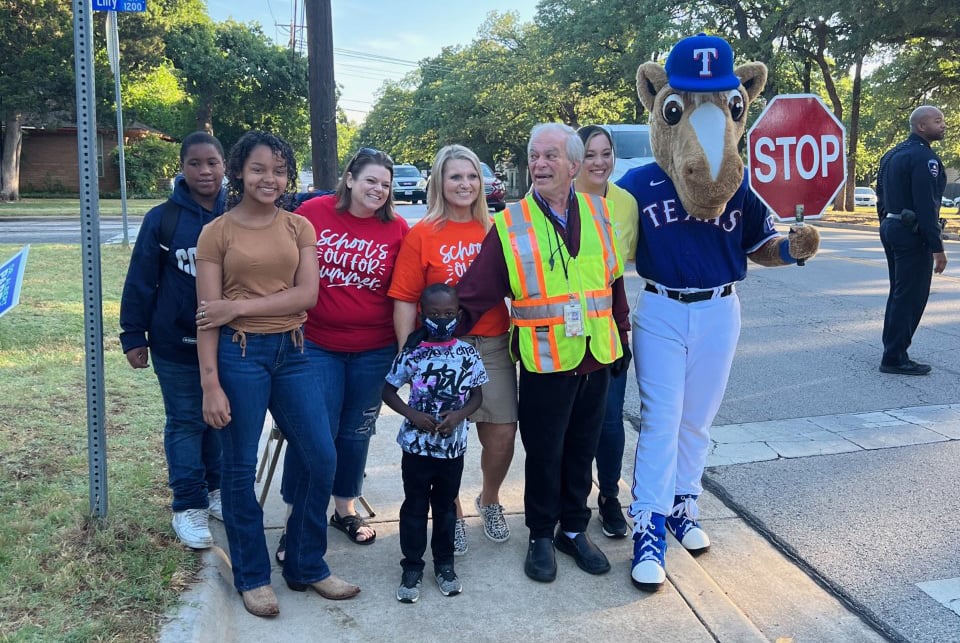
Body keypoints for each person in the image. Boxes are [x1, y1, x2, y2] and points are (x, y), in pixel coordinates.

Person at [195, 131, 359, 618]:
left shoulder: (297, 227)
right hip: (238, 358)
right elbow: (208, 316)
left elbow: (306, 295)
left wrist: (237, 306)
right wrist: (209, 383)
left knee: (321, 455)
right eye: (260, 168)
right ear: (240, 172)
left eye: (280, 170)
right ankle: (252, 576)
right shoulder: (217, 232)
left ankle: (307, 564)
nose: (270, 178)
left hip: (294, 351)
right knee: (239, 469)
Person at [457, 122, 631, 583]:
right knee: (545, 452)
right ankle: (539, 533)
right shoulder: (511, 222)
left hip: (597, 355)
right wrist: (433, 340)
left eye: (550, 156)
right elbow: (475, 292)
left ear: (574, 165)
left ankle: (572, 530)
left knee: (582, 449)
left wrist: (623, 336)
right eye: (534, 155)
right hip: (545, 359)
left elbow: (612, 281)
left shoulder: (598, 212)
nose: (539, 164)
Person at [278, 147, 409, 554]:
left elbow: (405, 291)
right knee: (316, 433)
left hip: (374, 349)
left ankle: (344, 509)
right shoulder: (313, 214)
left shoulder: (398, 229)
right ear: (350, 178)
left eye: (385, 185)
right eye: (371, 180)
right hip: (317, 343)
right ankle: (297, 520)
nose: (378, 190)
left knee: (356, 432)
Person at [389, 144, 518, 556]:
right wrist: (409, 358)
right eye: (455, 176)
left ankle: (491, 499)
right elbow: (405, 298)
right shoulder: (422, 233)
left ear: (482, 184)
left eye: (472, 176)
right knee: (444, 432)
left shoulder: (496, 229)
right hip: (441, 351)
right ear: (440, 183)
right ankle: (452, 511)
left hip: (492, 342)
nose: (465, 184)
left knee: (501, 431)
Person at [120, 131, 227, 550]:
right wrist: (133, 334)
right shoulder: (162, 219)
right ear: (181, 169)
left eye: (213, 163)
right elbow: (141, 280)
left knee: (220, 420)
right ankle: (188, 503)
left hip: (228, 342)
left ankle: (215, 490)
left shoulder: (237, 214)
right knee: (186, 421)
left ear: (225, 166)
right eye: (195, 163)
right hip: (174, 341)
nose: (205, 171)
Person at [383, 283, 489, 603]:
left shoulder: (467, 353)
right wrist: (412, 414)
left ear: (457, 314)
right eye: (433, 314)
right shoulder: (413, 353)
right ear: (421, 314)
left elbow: (477, 396)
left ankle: (444, 564)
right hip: (416, 448)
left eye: (447, 314)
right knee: (414, 507)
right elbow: (388, 391)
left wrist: (459, 416)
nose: (441, 319)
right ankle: (412, 566)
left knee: (445, 508)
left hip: (452, 448)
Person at [574, 125, 639, 539]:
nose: (599, 162)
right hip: (558, 333)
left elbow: (627, 267)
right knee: (571, 424)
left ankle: (610, 499)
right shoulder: (553, 199)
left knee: (610, 423)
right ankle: (573, 501)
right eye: (590, 154)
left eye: (605, 153)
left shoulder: (626, 204)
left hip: (609, 331)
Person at [877, 105, 948, 375]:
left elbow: (880, 195)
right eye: (937, 121)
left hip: (892, 227)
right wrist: (937, 247)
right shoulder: (923, 158)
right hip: (911, 233)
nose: (943, 125)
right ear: (921, 127)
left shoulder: (892, 154)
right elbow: (926, 207)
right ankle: (894, 357)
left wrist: (885, 224)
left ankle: (892, 349)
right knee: (911, 296)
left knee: (899, 293)